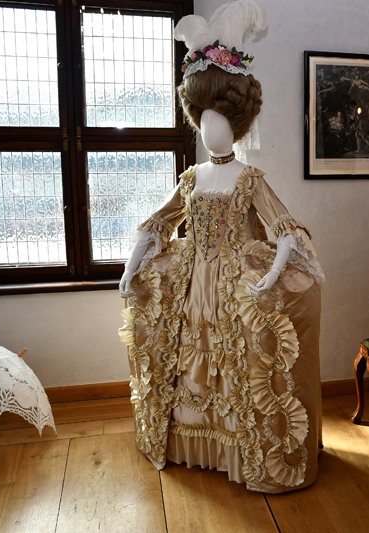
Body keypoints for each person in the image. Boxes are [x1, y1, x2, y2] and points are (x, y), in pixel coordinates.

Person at [118, 0, 324, 493]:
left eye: (220, 120)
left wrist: (271, 276)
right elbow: (157, 224)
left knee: (244, 366)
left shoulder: (249, 179)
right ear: (197, 118)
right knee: (186, 359)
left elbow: (286, 230)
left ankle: (246, 455)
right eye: (204, 119)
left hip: (235, 283)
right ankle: (193, 446)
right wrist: (129, 269)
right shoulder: (192, 178)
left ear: (237, 123)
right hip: (191, 283)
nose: (211, 129)